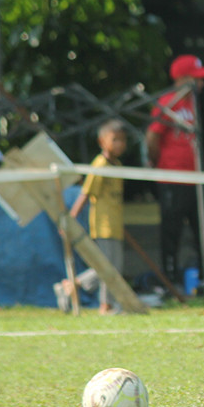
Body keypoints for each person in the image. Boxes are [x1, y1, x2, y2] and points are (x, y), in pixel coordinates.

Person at [146, 54, 204, 288]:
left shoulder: (193, 104)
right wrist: (158, 163)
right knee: (172, 231)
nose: (202, 84)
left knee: (202, 229)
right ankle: (170, 280)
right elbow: (152, 136)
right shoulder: (168, 102)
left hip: (195, 178)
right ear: (183, 79)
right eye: (197, 79)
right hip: (173, 177)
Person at [53, 119, 128, 315]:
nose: (119, 144)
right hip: (103, 226)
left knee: (112, 268)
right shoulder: (100, 165)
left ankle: (70, 286)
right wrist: (71, 218)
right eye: (114, 140)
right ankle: (105, 305)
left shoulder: (118, 166)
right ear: (102, 141)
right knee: (106, 268)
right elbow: (86, 193)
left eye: (122, 140)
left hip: (115, 225)